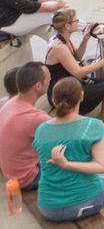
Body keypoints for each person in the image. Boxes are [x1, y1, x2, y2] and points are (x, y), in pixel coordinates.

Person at [31, 77, 104, 227]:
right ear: (82, 96)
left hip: (48, 207)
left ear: (53, 100)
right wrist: (67, 164)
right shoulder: (92, 125)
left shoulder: (41, 129)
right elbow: (103, 166)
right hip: (85, 203)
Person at [44, 9, 104, 144]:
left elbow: (77, 57)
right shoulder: (59, 47)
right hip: (65, 93)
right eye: (76, 20)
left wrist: (85, 39)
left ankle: (103, 127)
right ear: (67, 26)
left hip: (71, 84)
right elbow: (79, 72)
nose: (79, 22)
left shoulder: (63, 40)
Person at [0, 63, 51, 191]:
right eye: (49, 79)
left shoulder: (9, 103)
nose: (51, 80)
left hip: (11, 174)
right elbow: (70, 132)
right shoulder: (34, 117)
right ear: (38, 86)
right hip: (27, 180)